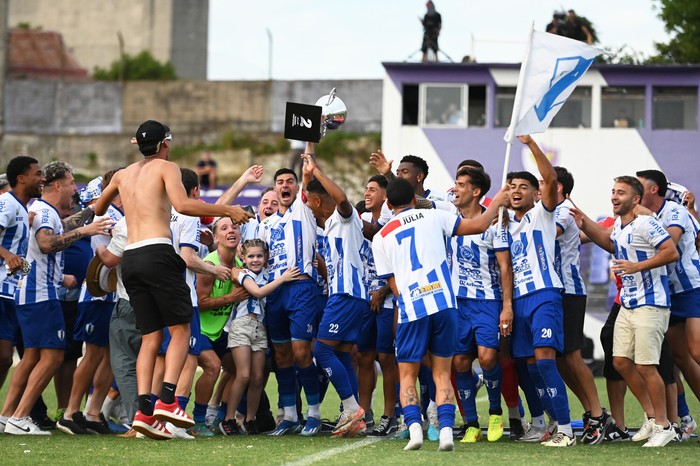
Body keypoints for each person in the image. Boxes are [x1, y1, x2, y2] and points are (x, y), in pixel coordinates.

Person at [94, 120, 252, 440]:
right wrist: (228, 209)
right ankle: (167, 402)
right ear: (165, 143)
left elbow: (98, 206)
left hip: (132, 259)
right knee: (180, 331)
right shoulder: (167, 167)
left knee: (151, 338)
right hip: (157, 253)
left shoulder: (124, 174)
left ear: (137, 144)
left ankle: (142, 411)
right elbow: (183, 205)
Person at [372, 177, 508, 452]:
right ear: (414, 199)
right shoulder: (434, 216)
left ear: (388, 203)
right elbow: (480, 225)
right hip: (444, 304)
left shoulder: (380, 236)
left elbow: (393, 285)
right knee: (443, 373)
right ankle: (446, 431)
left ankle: (414, 431)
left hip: (412, 308)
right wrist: (499, 201)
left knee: (408, 375)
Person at [2, 161, 112, 436]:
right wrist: (85, 231)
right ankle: (20, 416)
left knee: (31, 357)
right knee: (53, 357)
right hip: (40, 293)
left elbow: (56, 230)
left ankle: (7, 415)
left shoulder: (41, 210)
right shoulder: (39, 209)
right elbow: (47, 243)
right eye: (72, 182)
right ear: (59, 185)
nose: (75, 188)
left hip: (31, 291)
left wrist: (89, 214)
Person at [571, 175, 679, 447]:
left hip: (650, 303)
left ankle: (665, 425)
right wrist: (581, 218)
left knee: (645, 365)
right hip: (628, 304)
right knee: (620, 362)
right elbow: (609, 242)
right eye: (613, 191)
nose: (614, 196)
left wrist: (637, 267)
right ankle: (653, 418)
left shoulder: (646, 222)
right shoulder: (620, 226)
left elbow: (671, 252)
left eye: (621, 192)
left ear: (636, 199)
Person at [502, 136, 575, 447]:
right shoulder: (502, 225)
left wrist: (531, 144)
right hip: (518, 301)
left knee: (545, 361)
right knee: (528, 367)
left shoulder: (542, 214)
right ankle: (546, 424)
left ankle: (567, 430)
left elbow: (551, 178)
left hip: (544, 294)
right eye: (511, 187)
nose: (516, 192)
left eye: (523, 187)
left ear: (536, 194)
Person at [302, 150, 369, 437]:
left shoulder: (344, 216)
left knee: (321, 350)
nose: (312, 211)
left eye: (312, 205)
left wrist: (316, 171)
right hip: (349, 295)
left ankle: (352, 408)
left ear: (318, 200)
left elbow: (341, 199)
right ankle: (353, 417)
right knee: (342, 354)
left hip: (347, 294)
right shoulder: (329, 226)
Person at [446, 166, 512, 444]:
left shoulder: (495, 224)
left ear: (475, 191)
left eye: (461, 184)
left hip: (487, 301)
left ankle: (496, 412)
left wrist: (507, 306)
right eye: (455, 183)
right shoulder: (447, 219)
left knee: (487, 358)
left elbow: (505, 267)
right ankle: (471, 423)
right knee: (460, 362)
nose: (455, 189)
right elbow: (413, 200)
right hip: (458, 303)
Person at [257, 159, 321, 436]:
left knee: (301, 352)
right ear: (275, 188)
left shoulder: (302, 212)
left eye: (289, 182)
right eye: (280, 183)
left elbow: (307, 175)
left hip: (302, 289)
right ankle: (290, 416)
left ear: (297, 188)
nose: (285, 186)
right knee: (281, 356)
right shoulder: (265, 225)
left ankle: (315, 413)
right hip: (276, 292)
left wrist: (309, 152)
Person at [552, 166, 610, 444]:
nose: (538, 188)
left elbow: (543, 236)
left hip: (568, 291)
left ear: (560, 188)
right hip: (549, 293)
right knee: (559, 359)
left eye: (543, 183)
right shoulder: (543, 212)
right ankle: (591, 411)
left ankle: (597, 415)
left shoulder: (563, 211)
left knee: (572, 356)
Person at [219, 239, 299, 435]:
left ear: (266, 258)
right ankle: (228, 418)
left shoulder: (269, 274)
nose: (255, 260)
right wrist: (283, 278)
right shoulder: (244, 274)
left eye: (259, 256)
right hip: (242, 326)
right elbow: (258, 292)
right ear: (243, 259)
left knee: (257, 377)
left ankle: (250, 419)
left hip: (260, 328)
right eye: (251, 256)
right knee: (243, 374)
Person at [356, 174, 399, 436]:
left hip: (388, 299)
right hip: (364, 299)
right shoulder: (359, 223)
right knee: (363, 356)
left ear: (386, 196)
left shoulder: (392, 225)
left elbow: (399, 265)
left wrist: (383, 291)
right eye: (366, 189)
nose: (367, 193)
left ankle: (390, 415)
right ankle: (364, 414)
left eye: (373, 189)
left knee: (386, 358)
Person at [0, 157, 43, 399]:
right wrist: (6, 255)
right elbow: (8, 253)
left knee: (5, 359)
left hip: (9, 292)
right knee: (4, 356)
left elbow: (17, 258)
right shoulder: (7, 203)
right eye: (37, 174)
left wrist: (24, 269)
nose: (42, 178)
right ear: (21, 178)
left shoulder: (23, 209)